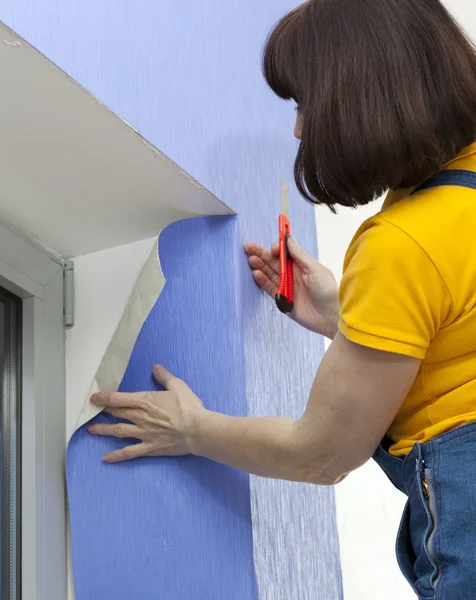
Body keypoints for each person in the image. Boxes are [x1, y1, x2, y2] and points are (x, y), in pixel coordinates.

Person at [88, 1, 476, 597]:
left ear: (362, 95)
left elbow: (321, 454)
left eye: (303, 104)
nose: (298, 129)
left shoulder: (404, 243)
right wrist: (352, 317)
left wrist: (193, 429)